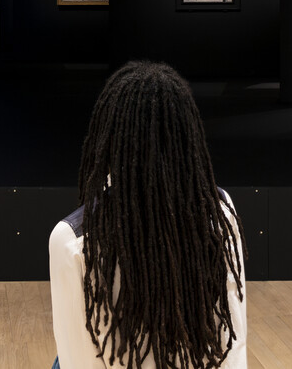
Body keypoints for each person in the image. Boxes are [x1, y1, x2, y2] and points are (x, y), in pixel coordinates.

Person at [49, 61, 247, 368]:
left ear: (110, 136)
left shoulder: (73, 238)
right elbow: (232, 336)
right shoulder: (219, 209)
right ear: (187, 134)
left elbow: (79, 359)